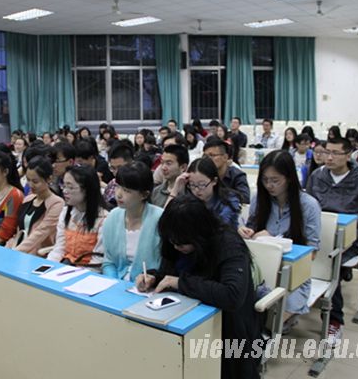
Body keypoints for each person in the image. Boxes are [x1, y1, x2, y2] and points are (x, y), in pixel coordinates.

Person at [136, 195, 261, 379]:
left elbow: (232, 295)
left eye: (181, 243)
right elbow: (171, 275)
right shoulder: (175, 241)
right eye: (172, 241)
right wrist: (154, 278)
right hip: (183, 319)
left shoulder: (228, 244)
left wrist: (180, 283)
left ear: (199, 234)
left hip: (227, 331)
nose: (176, 247)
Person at [306, 137, 358, 345]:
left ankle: (335, 321)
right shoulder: (317, 175)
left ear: (348, 155)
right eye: (326, 152)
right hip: (320, 235)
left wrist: (346, 220)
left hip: (351, 239)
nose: (329, 157)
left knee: (333, 264)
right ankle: (290, 312)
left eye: (335, 153)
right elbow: (307, 206)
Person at [239, 150, 321, 330]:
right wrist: (246, 233)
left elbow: (312, 254)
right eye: (265, 180)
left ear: (289, 178)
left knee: (269, 322)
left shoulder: (308, 205)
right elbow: (252, 233)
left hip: (293, 276)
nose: (269, 185)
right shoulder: (259, 199)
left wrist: (274, 242)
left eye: (275, 180)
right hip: (260, 270)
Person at [102, 162, 163, 281]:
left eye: (127, 190)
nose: (119, 194)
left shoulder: (159, 219)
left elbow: (165, 264)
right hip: (117, 283)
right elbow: (109, 262)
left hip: (148, 285)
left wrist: (151, 280)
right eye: (117, 186)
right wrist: (114, 283)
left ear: (144, 194)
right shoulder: (113, 217)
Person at [47, 165, 108, 267]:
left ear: (87, 189)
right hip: (66, 266)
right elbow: (59, 249)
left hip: (89, 270)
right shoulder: (66, 213)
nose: (65, 191)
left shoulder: (104, 219)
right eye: (64, 186)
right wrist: (48, 266)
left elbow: (97, 260)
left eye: (70, 187)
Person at [6, 156, 64, 254]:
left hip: (36, 253)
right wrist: (7, 248)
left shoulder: (57, 203)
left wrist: (15, 252)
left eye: (35, 181)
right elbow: (19, 231)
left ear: (49, 179)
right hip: (18, 247)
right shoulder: (28, 199)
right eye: (28, 180)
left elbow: (40, 233)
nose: (30, 185)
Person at [171, 157, 241, 228]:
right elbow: (168, 220)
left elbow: (221, 227)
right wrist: (175, 190)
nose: (196, 190)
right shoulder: (187, 199)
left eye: (202, 184)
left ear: (214, 181)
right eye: (192, 184)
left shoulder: (229, 200)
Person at [203, 138, 251, 204]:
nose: (207, 159)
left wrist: (218, 192)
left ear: (225, 157)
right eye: (205, 156)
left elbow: (245, 198)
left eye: (212, 155)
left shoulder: (237, 175)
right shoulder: (203, 173)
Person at [102, 141, 134, 207]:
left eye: (120, 168)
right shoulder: (112, 183)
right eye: (113, 168)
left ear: (132, 163)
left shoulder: (138, 188)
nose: (116, 173)